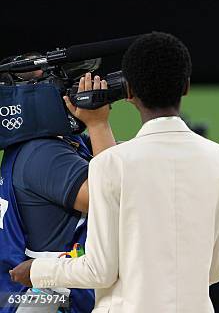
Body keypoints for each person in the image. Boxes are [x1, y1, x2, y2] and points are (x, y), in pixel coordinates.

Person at [10, 32, 219, 313]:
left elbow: (99, 270)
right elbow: (218, 269)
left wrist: (37, 270)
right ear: (187, 87)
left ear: (128, 92)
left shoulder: (111, 163)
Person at [0, 60, 115, 313]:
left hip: (45, 296)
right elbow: (112, 197)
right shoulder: (44, 153)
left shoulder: (49, 145)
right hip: (50, 301)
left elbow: (117, 164)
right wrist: (98, 124)